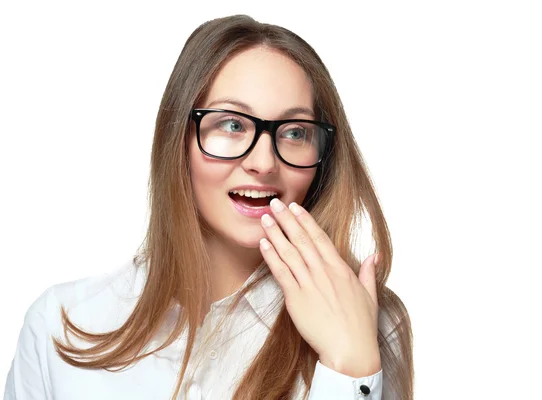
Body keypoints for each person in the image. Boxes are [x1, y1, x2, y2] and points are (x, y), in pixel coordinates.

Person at [4, 14, 413, 400]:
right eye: (233, 124)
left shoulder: (368, 320)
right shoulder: (61, 327)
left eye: (294, 132)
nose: (264, 162)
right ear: (178, 139)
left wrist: (350, 371)